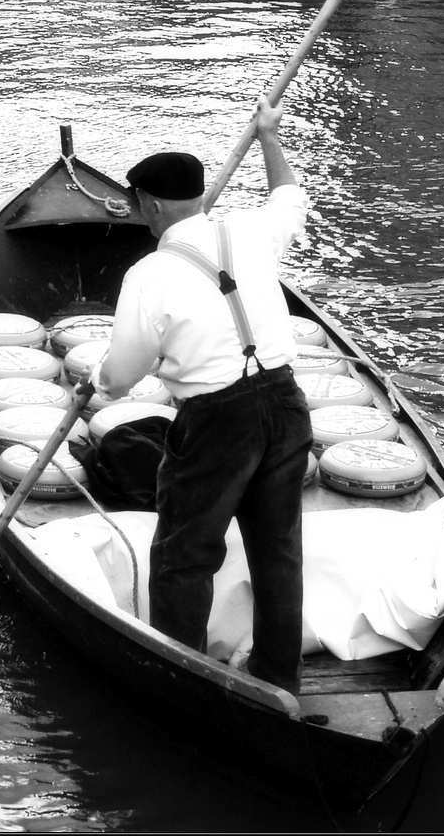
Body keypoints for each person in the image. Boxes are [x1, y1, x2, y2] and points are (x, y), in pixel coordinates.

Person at [88, 96, 312, 695]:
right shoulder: (250, 230)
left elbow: (122, 373)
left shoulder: (150, 274)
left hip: (217, 420)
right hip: (286, 405)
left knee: (185, 553)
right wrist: (268, 137)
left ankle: (180, 677)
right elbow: (291, 199)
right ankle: (276, 675)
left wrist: (97, 386)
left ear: (153, 205)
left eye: (138, 204)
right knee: (278, 549)